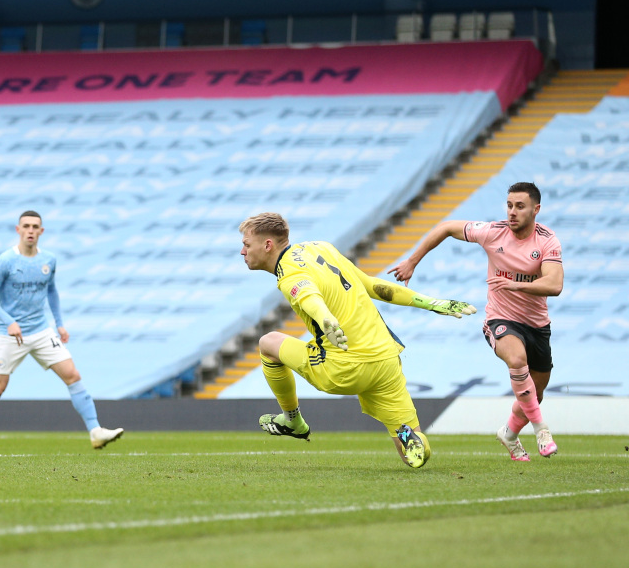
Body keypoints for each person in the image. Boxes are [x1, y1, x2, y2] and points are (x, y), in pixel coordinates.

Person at [240, 212, 477, 468]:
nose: (242, 252)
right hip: (385, 361)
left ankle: (292, 420)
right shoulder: (321, 247)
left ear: (267, 245)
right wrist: (432, 303)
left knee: (268, 343)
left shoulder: (289, 274)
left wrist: (327, 319)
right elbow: (373, 286)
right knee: (411, 454)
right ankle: (410, 436)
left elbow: (310, 297)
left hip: (342, 367)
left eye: (246, 244)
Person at [389, 181, 562, 460]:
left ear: (536, 209)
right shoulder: (493, 232)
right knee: (517, 361)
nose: (512, 212)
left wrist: (517, 286)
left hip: (537, 325)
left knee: (535, 393)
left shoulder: (546, 240)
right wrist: (412, 261)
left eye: (520, 206)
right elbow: (446, 227)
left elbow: (554, 284)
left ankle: (509, 433)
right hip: (501, 319)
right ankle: (542, 430)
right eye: (509, 205)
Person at [0, 210, 123, 451]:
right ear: (18, 230)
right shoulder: (5, 260)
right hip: (11, 335)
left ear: (41, 231)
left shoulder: (48, 260)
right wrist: (9, 321)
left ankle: (95, 431)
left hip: (41, 331)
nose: (30, 230)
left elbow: (51, 291)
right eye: (26, 226)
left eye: (35, 226)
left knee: (72, 374)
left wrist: (59, 323)